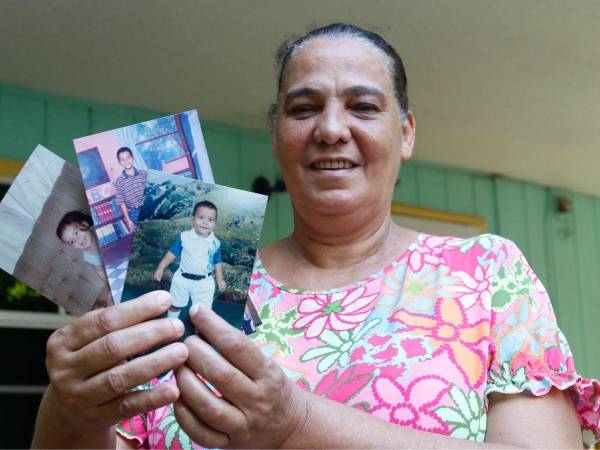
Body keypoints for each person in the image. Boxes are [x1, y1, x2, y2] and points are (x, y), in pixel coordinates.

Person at [32, 23, 599, 449]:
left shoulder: (484, 273)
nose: (330, 129)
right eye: (303, 109)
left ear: (405, 134)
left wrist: (299, 424)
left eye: (363, 106)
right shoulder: (205, 292)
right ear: (276, 136)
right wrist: (69, 412)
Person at [153, 200, 227, 319]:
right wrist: (160, 267)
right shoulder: (184, 237)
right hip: (182, 279)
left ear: (214, 224)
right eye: (201, 217)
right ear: (193, 219)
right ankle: (170, 322)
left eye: (210, 219)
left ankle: (200, 329)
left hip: (204, 282)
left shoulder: (215, 243)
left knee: (202, 311)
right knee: (175, 304)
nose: (205, 222)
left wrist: (220, 278)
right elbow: (172, 253)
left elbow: (217, 261)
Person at [57, 210, 108, 283]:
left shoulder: (100, 227)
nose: (77, 239)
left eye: (76, 233)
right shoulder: (90, 256)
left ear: (85, 224)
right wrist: (108, 284)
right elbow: (100, 271)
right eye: (72, 241)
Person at [114, 146, 148, 232]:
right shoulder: (119, 181)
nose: (126, 161)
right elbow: (121, 203)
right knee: (141, 238)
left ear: (133, 158)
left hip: (148, 208)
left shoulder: (143, 173)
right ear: (119, 162)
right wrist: (128, 220)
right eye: (122, 159)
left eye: (128, 157)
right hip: (134, 213)